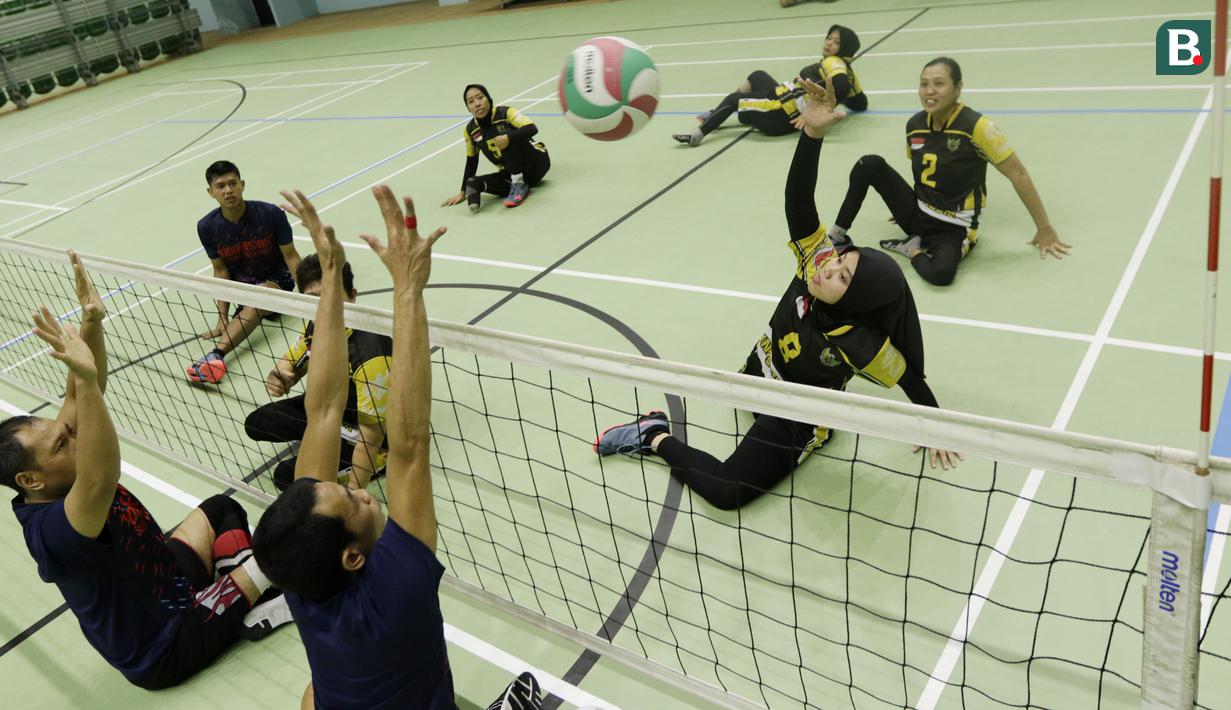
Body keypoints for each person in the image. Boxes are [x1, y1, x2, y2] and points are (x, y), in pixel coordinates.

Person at [599, 79, 961, 511]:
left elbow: (908, 376)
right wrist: (811, 133)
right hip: (756, 372)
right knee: (738, 398)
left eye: (842, 277)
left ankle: (652, 435)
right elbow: (799, 200)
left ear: (853, 302)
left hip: (796, 414)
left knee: (727, 492)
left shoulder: (861, 341)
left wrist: (935, 427)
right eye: (842, 259)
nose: (830, 267)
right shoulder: (818, 262)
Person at [0, 252, 291, 690]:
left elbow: (88, 389)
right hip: (165, 644)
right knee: (288, 549)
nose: (72, 437)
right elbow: (102, 474)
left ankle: (243, 591)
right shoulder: (54, 532)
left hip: (170, 579)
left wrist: (92, 322)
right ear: (30, 481)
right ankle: (248, 589)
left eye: (66, 432)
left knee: (220, 508)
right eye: (62, 443)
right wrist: (82, 375)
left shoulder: (54, 471)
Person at [252, 186, 456, 708]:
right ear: (350, 557)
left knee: (311, 696)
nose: (362, 493)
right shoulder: (398, 590)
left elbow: (322, 410)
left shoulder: (300, 576)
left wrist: (328, 277)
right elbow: (408, 445)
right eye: (353, 501)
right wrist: (407, 290)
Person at [826, 57, 1070, 286]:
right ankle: (837, 236)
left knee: (941, 275)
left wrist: (1045, 229)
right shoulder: (915, 125)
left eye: (939, 84)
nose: (929, 91)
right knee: (869, 164)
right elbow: (923, 173)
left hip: (953, 227)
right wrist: (903, 203)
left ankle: (912, 249)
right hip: (918, 212)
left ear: (958, 88)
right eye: (924, 84)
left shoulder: (977, 127)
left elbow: (1019, 174)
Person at [244, 255, 391, 493]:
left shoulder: (370, 354)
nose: (325, 309)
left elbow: (371, 436)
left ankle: (380, 462)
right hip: (330, 412)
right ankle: (324, 439)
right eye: (314, 301)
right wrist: (280, 375)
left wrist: (354, 493)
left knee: (286, 477)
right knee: (258, 423)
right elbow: (289, 363)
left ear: (352, 296)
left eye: (333, 300)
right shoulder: (316, 326)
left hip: (369, 432)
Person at [189, 160, 303, 384]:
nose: (228, 190)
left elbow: (291, 256)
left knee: (259, 297)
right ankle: (216, 355)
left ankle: (216, 356)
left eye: (232, 183)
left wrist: (309, 300)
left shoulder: (270, 214)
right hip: (242, 287)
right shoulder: (207, 227)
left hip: (277, 281)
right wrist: (222, 318)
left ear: (242, 185)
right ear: (211, 192)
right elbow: (220, 271)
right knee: (252, 302)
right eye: (220, 186)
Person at [442, 84, 550, 211]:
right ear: (468, 108)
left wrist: (508, 138)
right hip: (510, 172)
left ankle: (519, 185)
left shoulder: (506, 113)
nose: (477, 104)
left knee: (503, 139)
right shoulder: (470, 130)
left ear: (488, 98)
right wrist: (462, 192)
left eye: (480, 97)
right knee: (472, 182)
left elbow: (532, 128)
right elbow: (472, 161)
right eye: (471, 102)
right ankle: (513, 186)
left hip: (536, 164)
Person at [672, 63, 835, 147]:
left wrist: (806, 116)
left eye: (835, 41)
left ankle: (697, 134)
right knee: (758, 75)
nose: (829, 43)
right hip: (778, 95)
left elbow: (824, 104)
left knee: (734, 99)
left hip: (776, 112)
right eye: (829, 38)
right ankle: (724, 114)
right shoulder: (823, 66)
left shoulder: (830, 81)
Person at [818, 25, 867, 112]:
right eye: (829, 38)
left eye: (837, 42)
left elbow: (843, 87)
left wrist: (826, 108)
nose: (829, 43)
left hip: (856, 102)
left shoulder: (834, 61)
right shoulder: (830, 60)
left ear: (845, 48)